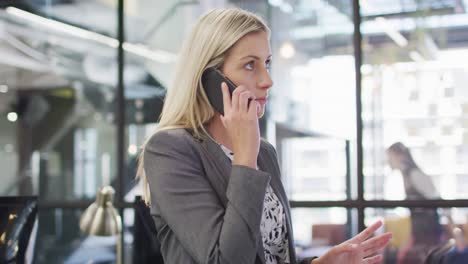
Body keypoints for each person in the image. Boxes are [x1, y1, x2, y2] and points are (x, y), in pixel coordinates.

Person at [137, 8, 392, 264]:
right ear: (211, 78)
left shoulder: (264, 152)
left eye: (267, 63)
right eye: (250, 65)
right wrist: (245, 156)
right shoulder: (170, 149)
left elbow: (270, 256)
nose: (267, 80)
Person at [386, 142, 442, 263]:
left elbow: (436, 198)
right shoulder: (406, 175)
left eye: (390, 156)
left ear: (400, 156)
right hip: (419, 230)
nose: (388, 161)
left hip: (427, 231)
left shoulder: (415, 174)